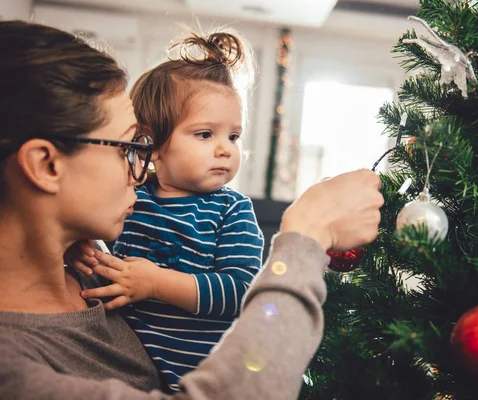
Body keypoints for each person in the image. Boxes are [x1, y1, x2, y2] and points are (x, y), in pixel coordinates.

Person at [0, 20, 384, 399]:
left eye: (233, 136)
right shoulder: (15, 371)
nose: (139, 171)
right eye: (129, 148)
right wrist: (307, 236)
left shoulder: (86, 267)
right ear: (46, 165)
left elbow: (237, 287)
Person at [67, 30, 264, 392]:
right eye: (205, 134)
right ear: (151, 145)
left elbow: (241, 291)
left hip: (204, 381)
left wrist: (156, 284)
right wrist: (79, 246)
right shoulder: (130, 195)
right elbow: (89, 231)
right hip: (129, 371)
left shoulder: (232, 210)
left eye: (233, 137)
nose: (225, 149)